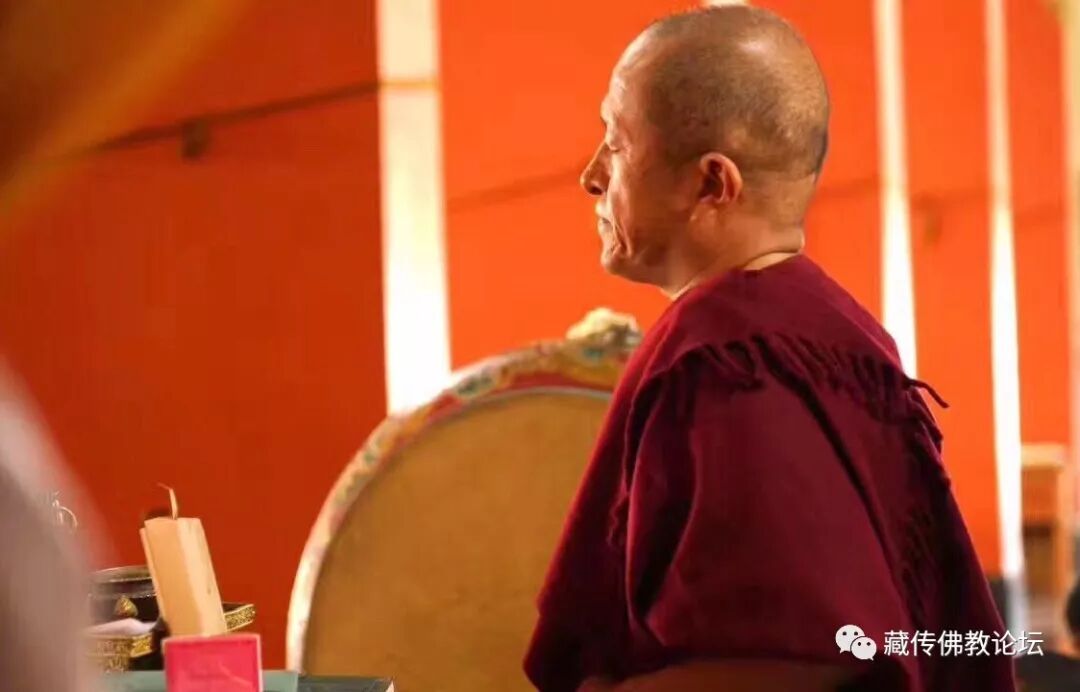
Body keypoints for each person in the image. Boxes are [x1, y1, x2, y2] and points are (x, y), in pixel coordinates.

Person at [524, 6, 1015, 692]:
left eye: (616, 143)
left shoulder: (732, 358)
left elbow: (795, 650)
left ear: (711, 183)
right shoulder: (835, 327)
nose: (590, 176)